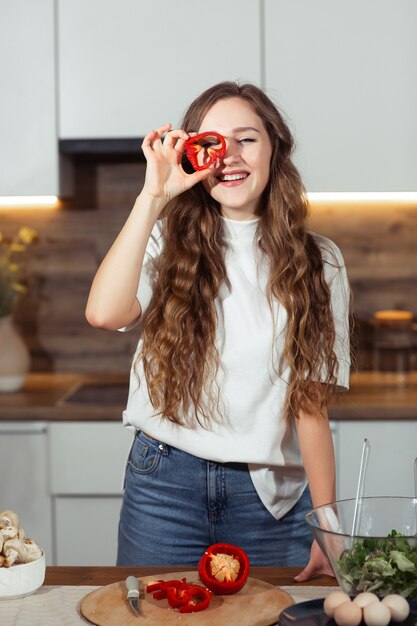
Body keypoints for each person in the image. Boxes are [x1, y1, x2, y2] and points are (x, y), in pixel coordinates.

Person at [85, 81, 351, 581]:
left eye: (246, 139)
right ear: (192, 157)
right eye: (210, 143)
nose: (228, 155)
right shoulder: (164, 238)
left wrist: (327, 520)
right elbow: (104, 312)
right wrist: (153, 195)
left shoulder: (321, 261)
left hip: (269, 498)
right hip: (164, 484)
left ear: (276, 146)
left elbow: (310, 405)